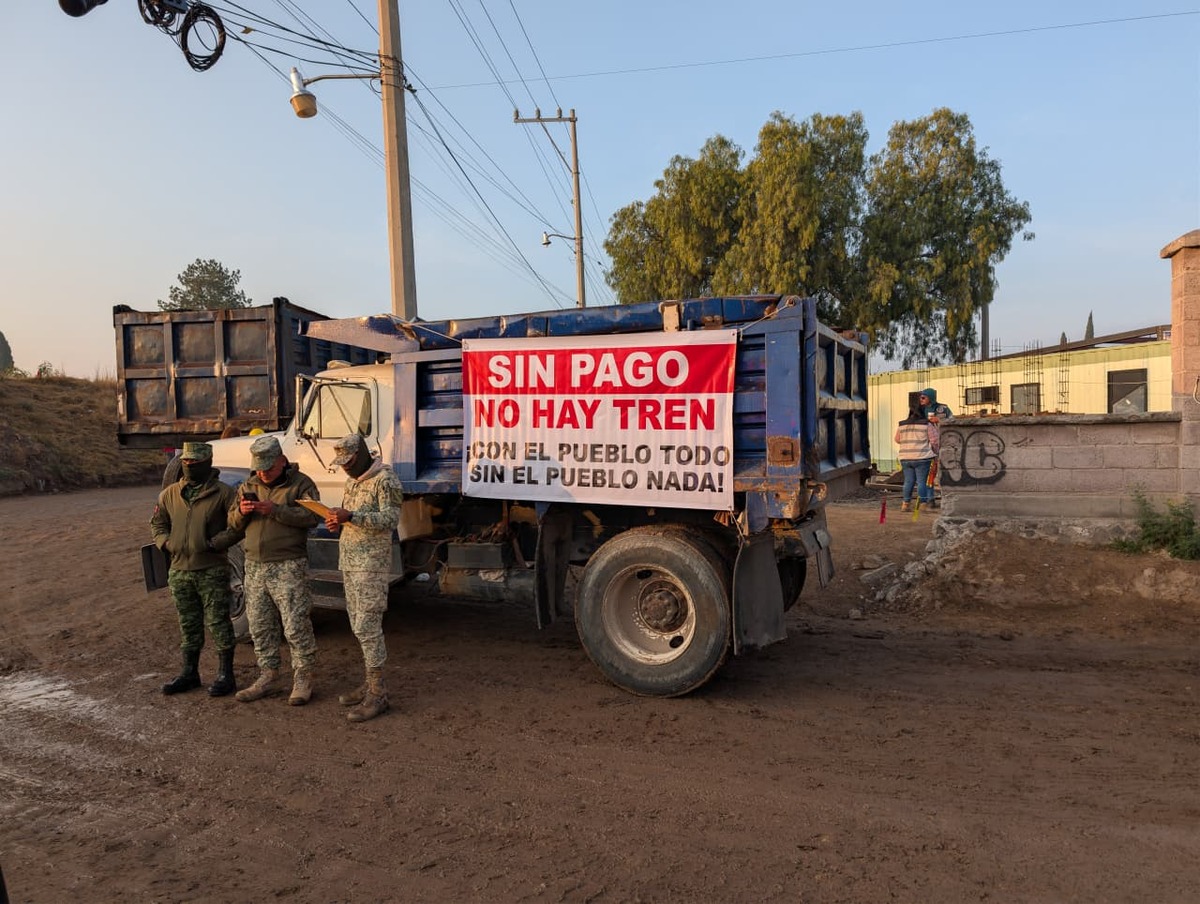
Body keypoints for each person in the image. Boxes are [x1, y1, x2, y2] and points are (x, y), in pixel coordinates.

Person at [228, 435, 323, 706]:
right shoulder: (248, 485)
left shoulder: (301, 484)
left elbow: (313, 517)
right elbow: (233, 522)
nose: (263, 473)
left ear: (282, 461)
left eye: (268, 468)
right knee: (260, 626)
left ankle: (303, 676)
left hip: (288, 566)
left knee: (295, 625)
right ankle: (267, 674)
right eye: (259, 468)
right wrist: (242, 512)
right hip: (255, 566)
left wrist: (276, 510)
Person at [150, 441, 243, 697]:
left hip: (211, 569)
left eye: (194, 462)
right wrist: (166, 543)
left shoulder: (224, 493)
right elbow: (157, 523)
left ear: (207, 463)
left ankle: (226, 674)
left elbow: (236, 527)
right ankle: (189, 672)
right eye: (186, 462)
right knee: (188, 623)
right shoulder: (170, 494)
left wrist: (214, 544)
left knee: (218, 622)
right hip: (179, 570)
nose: (189, 466)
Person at [323, 433, 403, 723]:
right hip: (351, 563)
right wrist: (337, 522)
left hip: (371, 565)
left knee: (368, 626)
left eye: (348, 461)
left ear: (362, 455)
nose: (344, 467)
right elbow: (350, 518)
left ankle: (378, 692)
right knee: (357, 625)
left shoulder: (386, 480)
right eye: (341, 462)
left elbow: (390, 520)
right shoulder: (352, 481)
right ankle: (369, 683)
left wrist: (352, 517)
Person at [893, 405, 939, 512]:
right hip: (922, 458)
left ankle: (905, 504)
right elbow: (935, 440)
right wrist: (935, 452)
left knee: (908, 481)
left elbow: (897, 439)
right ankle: (923, 505)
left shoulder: (902, 425)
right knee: (921, 482)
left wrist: (908, 443)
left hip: (905, 458)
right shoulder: (926, 424)